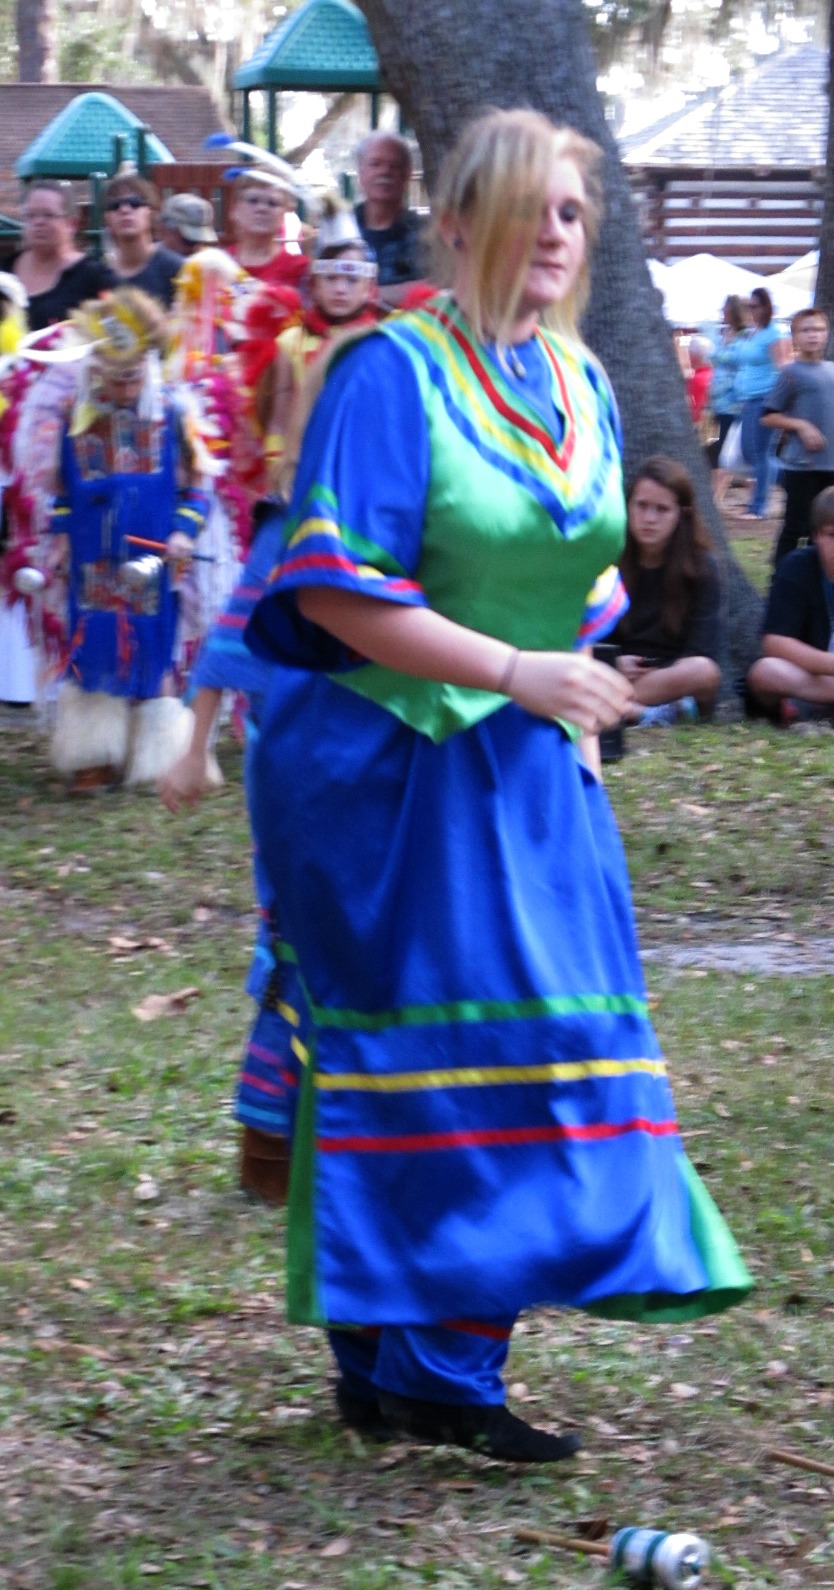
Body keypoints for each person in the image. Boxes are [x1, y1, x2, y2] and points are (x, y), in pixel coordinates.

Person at [244, 108, 751, 1461]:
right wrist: (519, 673)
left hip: (530, 763)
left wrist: (569, 701)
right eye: (528, 207)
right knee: (434, 1044)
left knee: (535, 1049)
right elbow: (336, 594)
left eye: (573, 213)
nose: (553, 234)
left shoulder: (579, 379)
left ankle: (412, 1361)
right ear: (458, 226)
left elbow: (580, 572)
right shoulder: (387, 373)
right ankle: (420, 1369)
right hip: (385, 761)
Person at [47, 288, 210, 791]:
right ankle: (93, 754)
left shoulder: (174, 416)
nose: (122, 385)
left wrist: (183, 531)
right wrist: (59, 539)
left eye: (132, 374)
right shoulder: (75, 420)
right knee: (93, 643)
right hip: (92, 557)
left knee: (152, 644)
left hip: (152, 554)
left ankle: (158, 756)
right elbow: (62, 492)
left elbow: (197, 487)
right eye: (112, 375)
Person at [268, 196, 379, 491]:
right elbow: (279, 419)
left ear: (369, 288)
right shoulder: (290, 343)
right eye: (330, 278)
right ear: (314, 285)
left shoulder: (383, 343)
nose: (340, 288)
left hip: (365, 470)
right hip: (304, 468)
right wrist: (278, 469)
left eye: (351, 279)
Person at [613, 456, 722, 725]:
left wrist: (660, 671)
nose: (649, 519)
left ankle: (621, 708)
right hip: (616, 672)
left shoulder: (702, 567)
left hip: (672, 675)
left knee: (704, 672)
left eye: (662, 509)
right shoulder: (610, 560)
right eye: (642, 506)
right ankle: (646, 714)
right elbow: (588, 636)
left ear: (681, 515)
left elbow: (702, 649)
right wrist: (615, 662)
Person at [747, 484, 834, 723]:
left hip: (814, 685)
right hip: (808, 676)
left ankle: (814, 708)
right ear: (816, 536)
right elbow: (774, 643)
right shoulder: (797, 568)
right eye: (832, 535)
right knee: (764, 672)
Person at [761, 307, 834, 567]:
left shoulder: (831, 370)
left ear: (826, 334)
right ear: (795, 337)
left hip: (831, 467)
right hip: (802, 467)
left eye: (818, 329)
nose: (812, 335)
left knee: (825, 530)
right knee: (795, 527)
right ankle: (780, 580)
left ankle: (817, 582)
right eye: (806, 330)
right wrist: (800, 425)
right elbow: (768, 415)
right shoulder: (791, 373)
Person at [13, 181, 115, 333]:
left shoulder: (95, 277)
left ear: (72, 224)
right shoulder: (5, 273)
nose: (38, 222)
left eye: (48, 215)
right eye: (30, 215)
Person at [734, 285, 789, 521]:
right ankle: (792, 478)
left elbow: (784, 367)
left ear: (766, 307)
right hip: (749, 400)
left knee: (761, 453)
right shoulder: (753, 333)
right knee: (749, 452)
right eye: (749, 306)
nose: (751, 310)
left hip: (767, 399)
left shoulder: (774, 334)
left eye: (755, 306)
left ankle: (758, 507)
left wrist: (783, 401)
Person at [354, 131, 424, 308]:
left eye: (395, 165)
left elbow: (433, 290)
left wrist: (362, 295)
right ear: (360, 172)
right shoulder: (340, 228)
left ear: (408, 174)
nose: (385, 171)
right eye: (375, 164)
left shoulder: (426, 232)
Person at [103, 172, 183, 310]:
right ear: (107, 218)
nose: (124, 210)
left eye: (134, 203)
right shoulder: (101, 274)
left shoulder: (175, 269)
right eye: (115, 205)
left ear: (150, 212)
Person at [226, 172, 308, 293]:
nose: (262, 208)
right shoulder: (215, 263)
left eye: (272, 203)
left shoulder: (300, 269)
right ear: (234, 210)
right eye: (253, 201)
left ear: (284, 214)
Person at [708, 294, 748, 508]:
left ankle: (716, 497)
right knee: (720, 446)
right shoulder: (721, 334)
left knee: (726, 447)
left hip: (735, 401)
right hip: (718, 401)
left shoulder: (745, 337)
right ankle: (720, 494)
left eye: (726, 309)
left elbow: (741, 362)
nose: (722, 312)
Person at [158, 193, 218, 257]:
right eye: (188, 241)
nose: (195, 248)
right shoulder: (148, 262)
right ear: (164, 229)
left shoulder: (211, 262)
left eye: (201, 241)